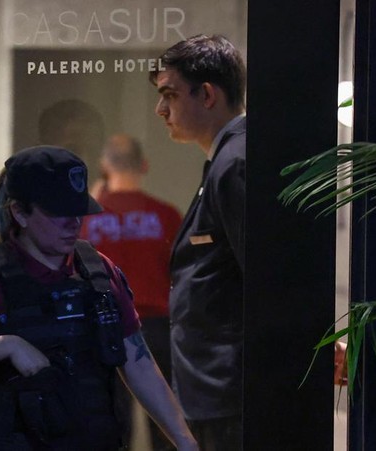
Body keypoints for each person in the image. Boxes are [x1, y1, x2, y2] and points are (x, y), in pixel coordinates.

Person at [0, 145, 197, 451]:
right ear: (19, 212)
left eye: (78, 210)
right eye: (58, 212)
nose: (73, 223)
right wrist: (8, 346)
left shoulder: (98, 273)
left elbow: (138, 364)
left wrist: (185, 441)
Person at [150, 34, 246, 451]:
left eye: (169, 94)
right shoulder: (227, 159)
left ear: (207, 94)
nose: (161, 109)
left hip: (228, 392)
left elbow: (264, 278)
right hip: (215, 391)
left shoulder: (236, 162)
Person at [81, 134, 182, 450]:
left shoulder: (85, 221)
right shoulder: (167, 216)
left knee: (112, 425)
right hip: (158, 328)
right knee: (165, 424)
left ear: (103, 166)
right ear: (144, 165)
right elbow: (179, 276)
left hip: (103, 328)